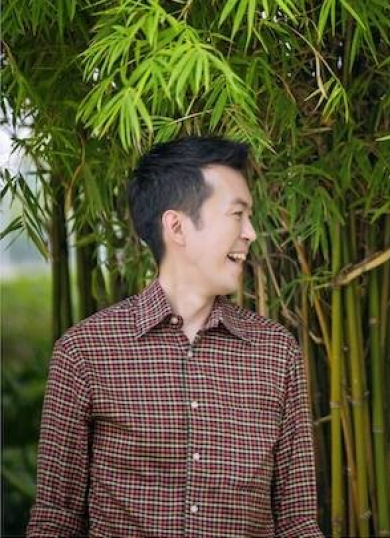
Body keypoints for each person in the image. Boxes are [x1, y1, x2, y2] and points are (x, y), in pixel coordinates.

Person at [28, 136, 323, 538]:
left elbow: (297, 522)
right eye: (237, 215)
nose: (251, 233)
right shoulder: (85, 352)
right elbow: (56, 518)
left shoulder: (275, 352)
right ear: (177, 227)